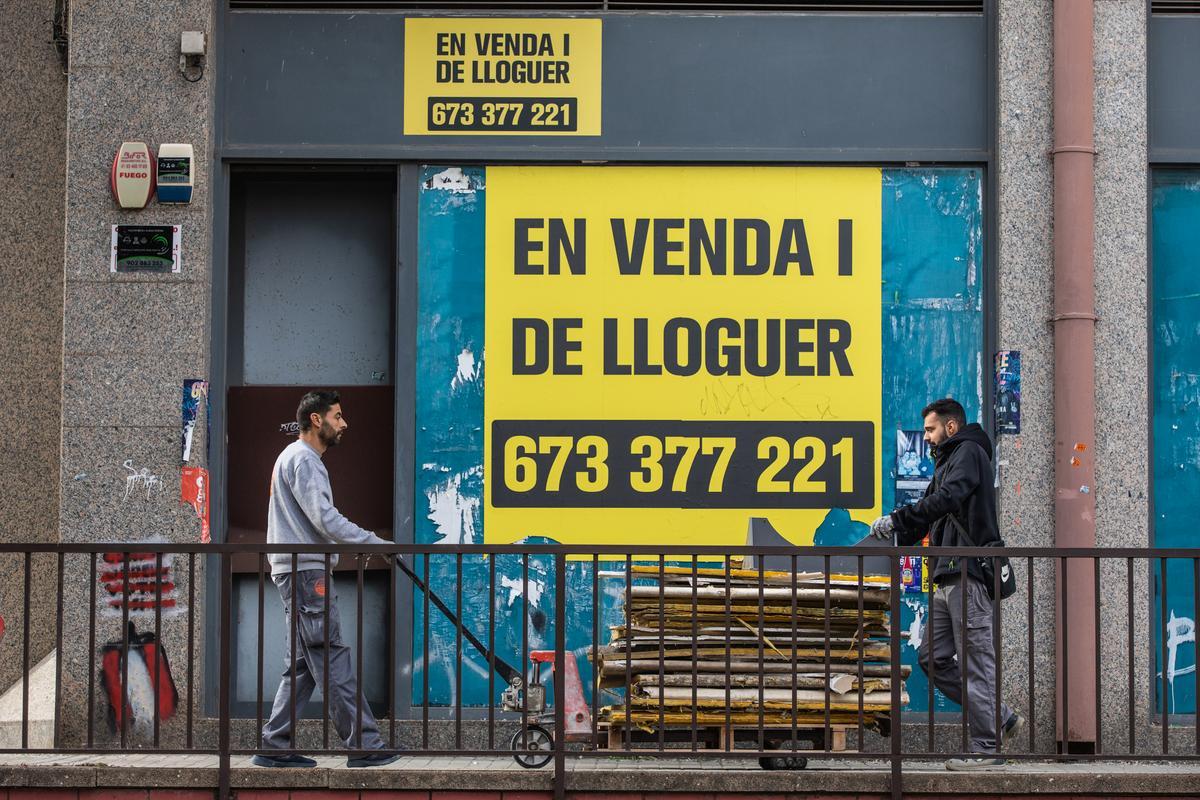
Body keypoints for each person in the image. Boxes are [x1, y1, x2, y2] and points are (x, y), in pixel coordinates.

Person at [870, 398, 1024, 770]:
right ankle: (1000, 717)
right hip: (945, 574)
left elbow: (947, 499)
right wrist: (893, 529)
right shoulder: (948, 461)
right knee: (933, 659)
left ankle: (987, 748)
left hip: (968, 574)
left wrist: (898, 518)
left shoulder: (969, 452)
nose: (926, 437)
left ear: (950, 427)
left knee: (976, 661)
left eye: (930, 429)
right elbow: (928, 514)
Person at [254, 390, 399, 769]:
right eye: (337, 415)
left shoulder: (290, 457)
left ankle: (274, 744)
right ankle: (364, 744)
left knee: (304, 663)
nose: (343, 423)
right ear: (316, 420)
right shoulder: (305, 460)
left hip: (295, 569)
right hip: (307, 573)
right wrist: (377, 543)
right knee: (331, 657)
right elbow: (325, 519)